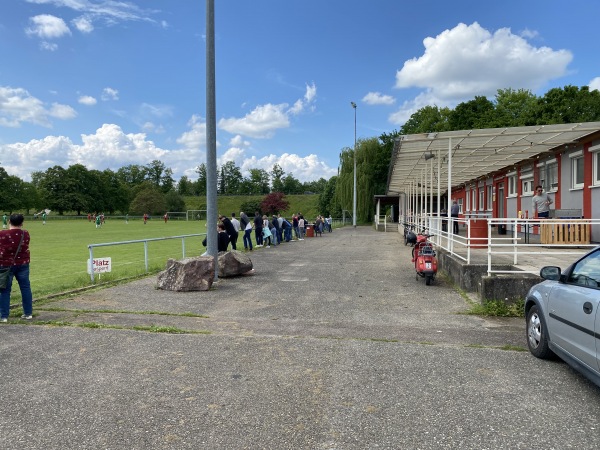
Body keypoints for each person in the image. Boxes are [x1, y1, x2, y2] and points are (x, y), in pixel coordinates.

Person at [0, 214, 33, 322]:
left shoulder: (2, 234)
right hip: (23, 263)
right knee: (25, 288)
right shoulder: (25, 233)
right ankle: (28, 313)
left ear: (9, 221)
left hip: (6, 265)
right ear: (22, 223)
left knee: (5, 290)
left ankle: (4, 315)